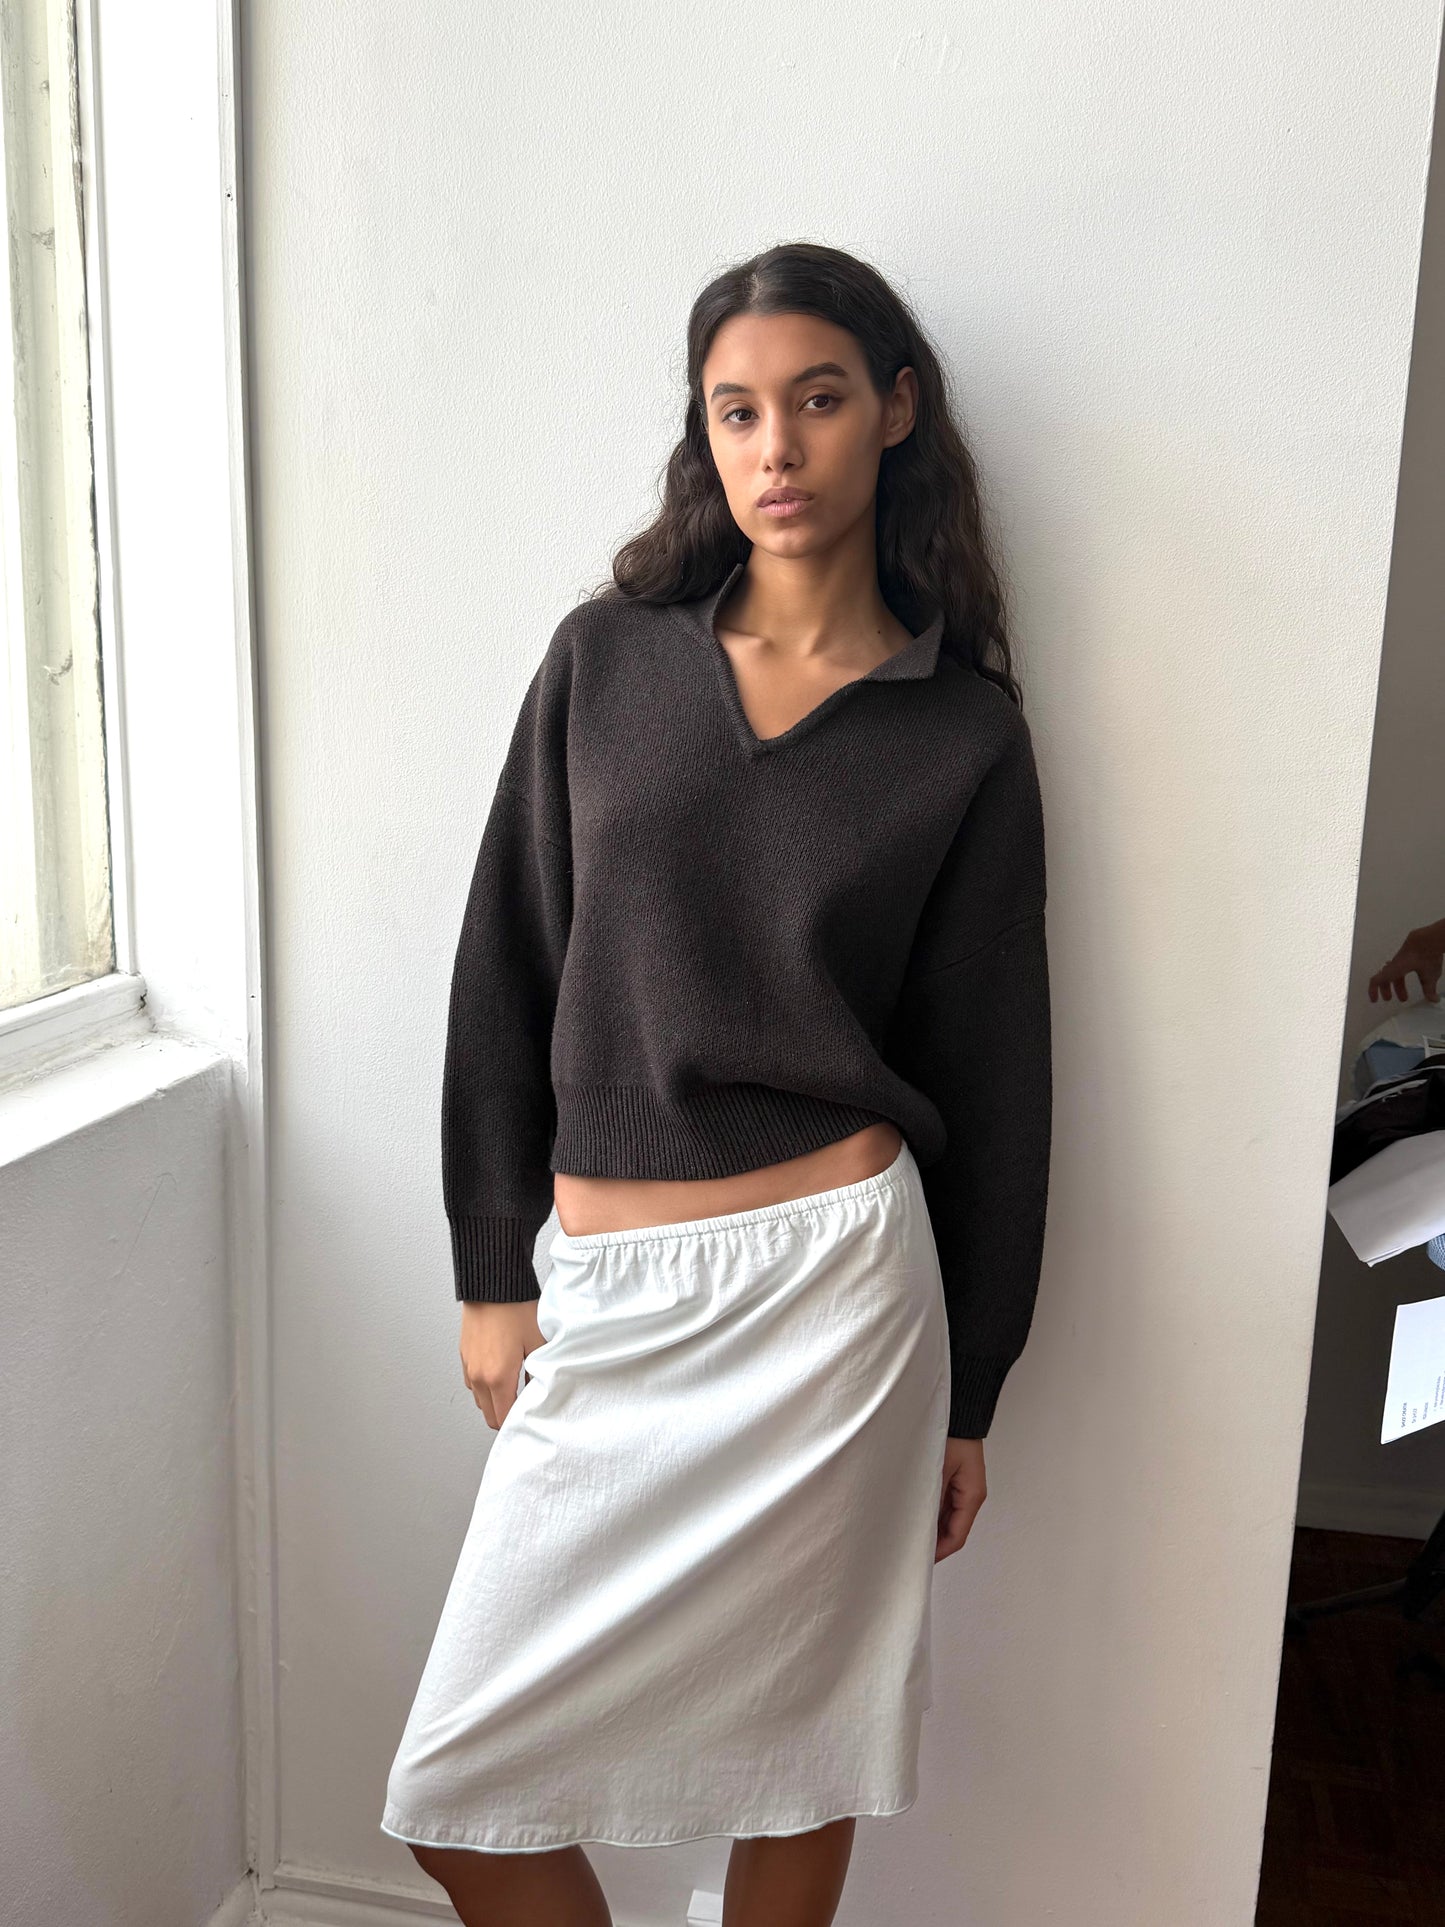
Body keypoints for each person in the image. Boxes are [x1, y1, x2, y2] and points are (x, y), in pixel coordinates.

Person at [380, 241, 1053, 1927]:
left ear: (893, 413)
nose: (777, 449)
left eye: (818, 401)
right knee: (460, 1794)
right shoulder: (607, 662)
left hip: (838, 1303)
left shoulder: (957, 732)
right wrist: (487, 1268)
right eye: (736, 410)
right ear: (703, 435)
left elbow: (994, 1069)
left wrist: (971, 1384)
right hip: (606, 1299)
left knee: (800, 1756)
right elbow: (502, 967)